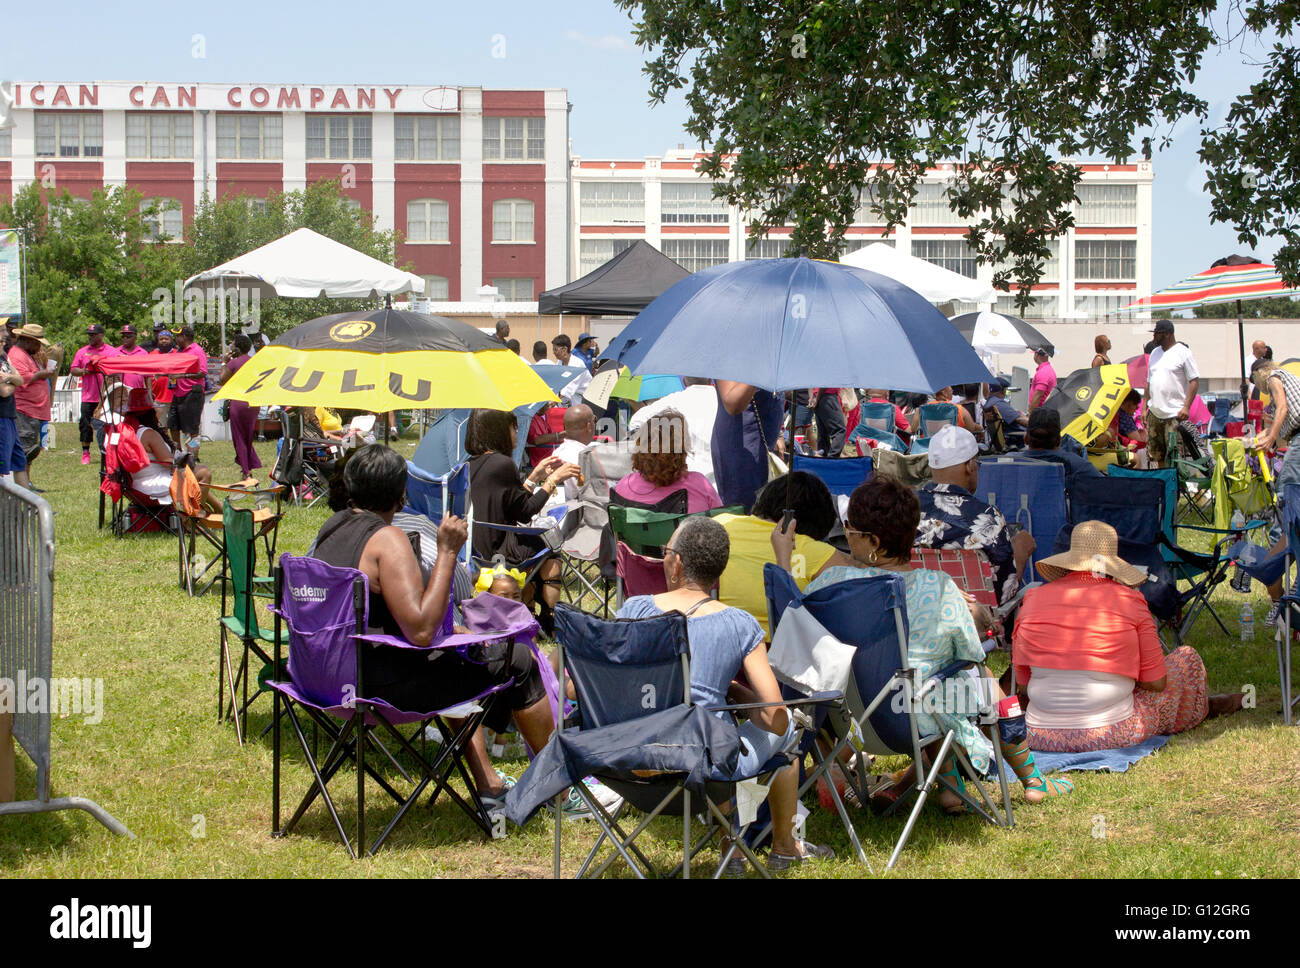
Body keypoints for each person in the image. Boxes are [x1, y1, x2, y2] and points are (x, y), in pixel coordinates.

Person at [785, 476, 1073, 811]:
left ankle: (951, 786)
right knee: (975, 681)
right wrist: (977, 616)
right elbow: (971, 654)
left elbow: (799, 631)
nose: (845, 533)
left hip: (847, 719)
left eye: (850, 527)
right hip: (911, 718)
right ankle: (1033, 780)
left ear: (873, 540)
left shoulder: (830, 583)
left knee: (936, 684)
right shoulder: (937, 587)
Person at [311, 444, 554, 810]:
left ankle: (489, 783)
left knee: (452, 655)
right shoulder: (387, 540)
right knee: (517, 659)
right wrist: (447, 552)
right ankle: (560, 790)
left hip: (323, 677)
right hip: (375, 687)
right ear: (401, 494)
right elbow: (421, 632)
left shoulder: (330, 531)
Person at [618, 516, 834, 873]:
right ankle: (774, 846)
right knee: (785, 731)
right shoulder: (739, 623)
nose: (663, 557)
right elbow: (775, 718)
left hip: (629, 762)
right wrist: (735, 695)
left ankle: (735, 847)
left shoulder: (635, 610)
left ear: (679, 562)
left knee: (720, 734)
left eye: (666, 551)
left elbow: (580, 687)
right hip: (704, 770)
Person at [1013, 520, 1243, 752]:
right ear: (1111, 566)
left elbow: (1023, 685)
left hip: (1038, 734)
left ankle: (1213, 704)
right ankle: (1205, 708)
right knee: (1187, 661)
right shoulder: (1129, 600)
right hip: (1110, 731)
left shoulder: (1032, 599)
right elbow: (1156, 681)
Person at [464, 408, 580, 632]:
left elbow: (511, 504)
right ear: (498, 431)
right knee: (550, 549)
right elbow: (526, 512)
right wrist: (552, 480)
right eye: (513, 428)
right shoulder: (502, 464)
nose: (517, 433)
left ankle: (530, 606)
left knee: (537, 546)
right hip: (499, 547)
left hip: (478, 544)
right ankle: (548, 616)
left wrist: (535, 477)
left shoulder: (473, 463)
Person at [715, 472, 855, 640]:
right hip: (775, 653)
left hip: (708, 647)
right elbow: (858, 592)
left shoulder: (717, 524)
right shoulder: (814, 551)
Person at [915, 426, 1036, 606]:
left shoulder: (903, 507)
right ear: (970, 466)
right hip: (974, 625)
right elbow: (1002, 595)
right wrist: (1021, 552)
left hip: (915, 616)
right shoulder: (987, 516)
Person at [615, 409, 723, 512]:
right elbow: (721, 522)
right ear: (682, 448)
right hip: (688, 530)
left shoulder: (624, 486)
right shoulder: (700, 485)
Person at [712, 381, 784, 512]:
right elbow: (732, 402)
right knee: (746, 515)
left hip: (763, 446)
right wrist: (759, 366)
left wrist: (779, 434)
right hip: (741, 450)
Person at [1143, 319, 1200, 468]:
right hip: (1155, 413)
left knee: (1175, 457)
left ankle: (1175, 489)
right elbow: (1149, 382)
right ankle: (1164, 487)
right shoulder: (1155, 353)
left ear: (1168, 334)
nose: (1154, 337)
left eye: (1157, 333)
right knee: (1158, 455)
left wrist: (1186, 407)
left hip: (1174, 414)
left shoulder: (1183, 352)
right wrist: (1144, 408)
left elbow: (1194, 381)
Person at [7, 324, 57, 491]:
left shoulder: (27, 355)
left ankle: (26, 483)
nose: (39, 347)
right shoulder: (16, 355)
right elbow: (20, 378)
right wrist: (42, 374)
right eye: (37, 343)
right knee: (24, 451)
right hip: (24, 411)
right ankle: (22, 487)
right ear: (28, 341)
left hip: (33, 411)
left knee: (29, 451)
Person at [1020, 408, 1105, 492]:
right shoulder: (1077, 465)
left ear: (1025, 439)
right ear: (1059, 441)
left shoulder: (1009, 462)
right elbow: (1107, 491)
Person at [69, 322, 117, 465]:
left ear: (101, 335)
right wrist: (85, 370)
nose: (90, 337)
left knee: (107, 424)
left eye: (94, 335)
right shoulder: (82, 351)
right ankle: (85, 452)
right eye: (89, 335)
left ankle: (108, 450)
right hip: (88, 396)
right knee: (85, 424)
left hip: (106, 395)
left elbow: (117, 367)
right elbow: (73, 370)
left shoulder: (111, 351)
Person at [219, 334, 262, 479]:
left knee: (239, 437)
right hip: (253, 403)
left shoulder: (234, 363)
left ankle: (246, 471)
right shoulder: (255, 362)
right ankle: (248, 465)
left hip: (238, 402)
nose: (230, 346)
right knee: (248, 436)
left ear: (237, 347)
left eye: (232, 344)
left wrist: (224, 363)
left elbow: (222, 380)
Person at [169, 325, 209, 459]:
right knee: (173, 425)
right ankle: (178, 452)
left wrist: (184, 376)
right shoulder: (178, 352)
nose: (176, 339)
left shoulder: (197, 351)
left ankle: (192, 455)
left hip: (192, 394)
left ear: (184, 337)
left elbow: (202, 373)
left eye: (177, 336)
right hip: (177, 393)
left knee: (191, 429)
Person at [549, 403, 595, 502]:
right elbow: (586, 491)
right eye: (594, 420)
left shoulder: (557, 452)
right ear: (589, 426)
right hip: (579, 510)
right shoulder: (583, 456)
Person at [0, 341, 27, 485]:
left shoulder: (4, 356)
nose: (3, 343)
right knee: (1, 465)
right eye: (0, 341)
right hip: (1, 419)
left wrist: (9, 378)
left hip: (9, 417)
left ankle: (30, 507)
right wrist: (13, 382)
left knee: (19, 461)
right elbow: (4, 392)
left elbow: (20, 379)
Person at [812, 386, 847, 458]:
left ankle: (823, 458)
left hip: (820, 396)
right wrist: (816, 399)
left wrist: (813, 398)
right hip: (827, 396)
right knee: (840, 430)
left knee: (823, 432)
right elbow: (824, 383)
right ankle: (832, 457)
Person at [1027, 346, 1057, 411]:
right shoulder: (1046, 369)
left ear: (1037, 355)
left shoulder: (1043, 372)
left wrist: (1030, 414)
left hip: (1040, 413)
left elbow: (1038, 395)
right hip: (1043, 411)